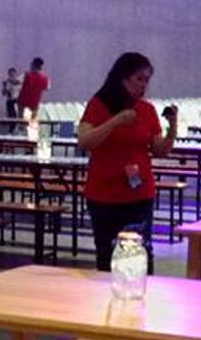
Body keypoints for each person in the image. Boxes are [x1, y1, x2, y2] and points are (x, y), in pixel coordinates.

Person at [76, 52, 178, 272]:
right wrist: (116, 121)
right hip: (104, 194)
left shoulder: (147, 110)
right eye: (138, 79)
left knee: (140, 254)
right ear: (122, 77)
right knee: (108, 255)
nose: (143, 85)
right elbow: (84, 141)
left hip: (139, 194)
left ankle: (141, 290)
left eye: (146, 80)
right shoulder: (98, 105)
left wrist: (172, 128)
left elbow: (160, 150)